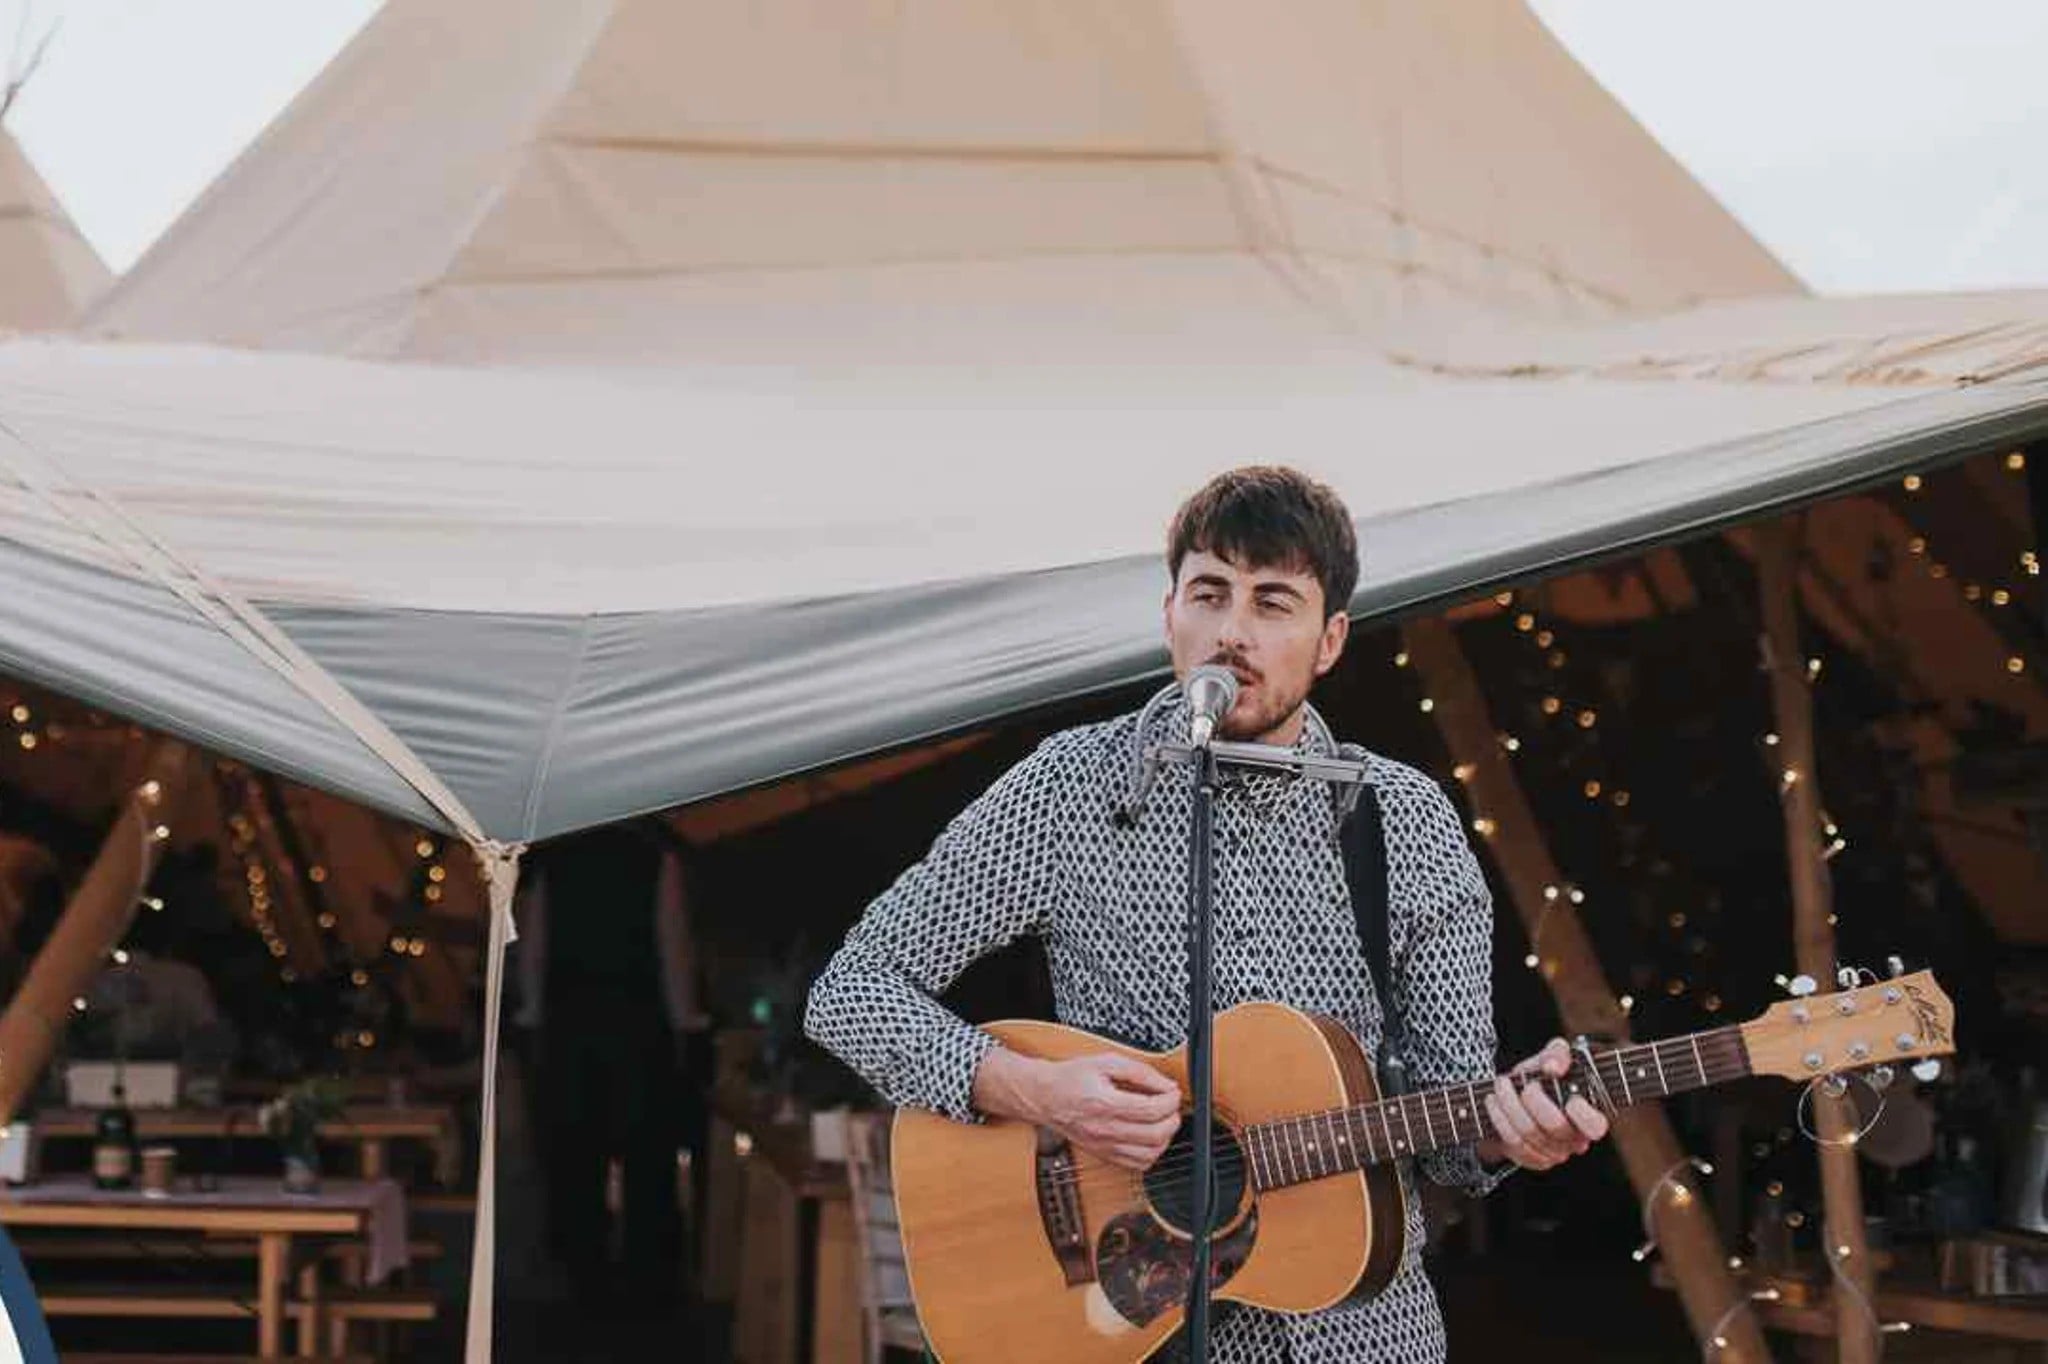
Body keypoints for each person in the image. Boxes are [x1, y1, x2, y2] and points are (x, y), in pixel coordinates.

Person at [804, 466, 1609, 1362]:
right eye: (1210, 594)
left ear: (1331, 638)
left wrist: (1513, 1136)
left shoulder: (1405, 820)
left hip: (1361, 1340)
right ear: (1169, 615)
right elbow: (851, 989)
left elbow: (1453, 1132)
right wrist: (1036, 1091)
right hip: (1135, 1325)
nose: (1233, 632)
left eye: (1274, 602)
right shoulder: (1073, 788)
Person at [513, 821, 707, 1307]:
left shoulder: (550, 859)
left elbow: (532, 946)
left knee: (573, 1154)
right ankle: (647, 1274)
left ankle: (581, 1272)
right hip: (639, 1023)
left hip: (569, 1023)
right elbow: (672, 943)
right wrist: (686, 1020)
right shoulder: (655, 854)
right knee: (648, 1156)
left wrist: (533, 1013)